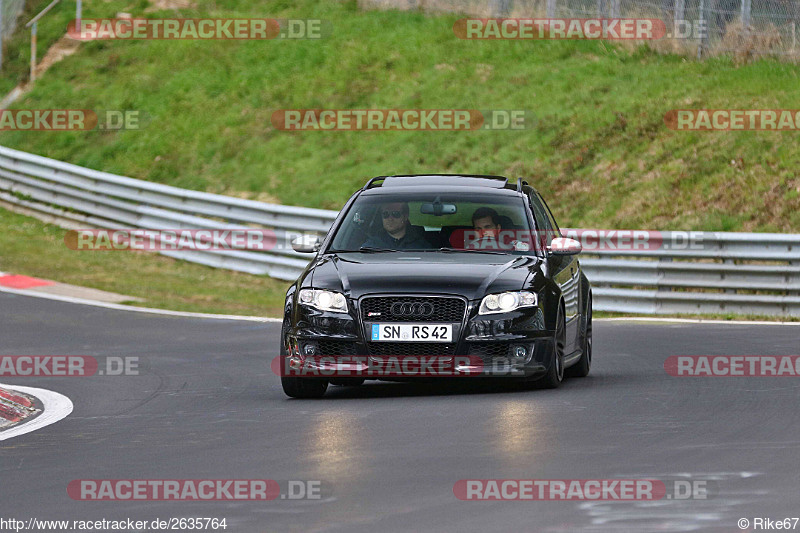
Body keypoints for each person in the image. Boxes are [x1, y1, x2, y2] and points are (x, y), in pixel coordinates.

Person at [362, 202, 433, 250]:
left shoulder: (421, 246)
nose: (390, 219)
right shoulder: (371, 246)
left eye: (395, 214)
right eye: (385, 214)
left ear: (405, 216)